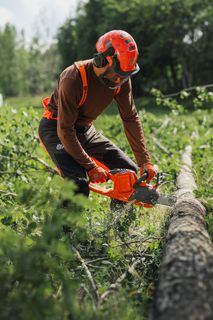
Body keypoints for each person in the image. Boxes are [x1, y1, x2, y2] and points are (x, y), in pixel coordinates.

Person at [38, 30, 156, 208]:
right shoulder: (73, 77)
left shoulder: (121, 79)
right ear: (101, 60)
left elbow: (130, 117)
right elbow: (65, 130)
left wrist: (144, 161)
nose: (119, 80)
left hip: (84, 130)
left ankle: (117, 225)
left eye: (124, 76)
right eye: (116, 74)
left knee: (128, 174)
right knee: (78, 184)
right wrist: (91, 167)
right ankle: (61, 234)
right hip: (56, 129)